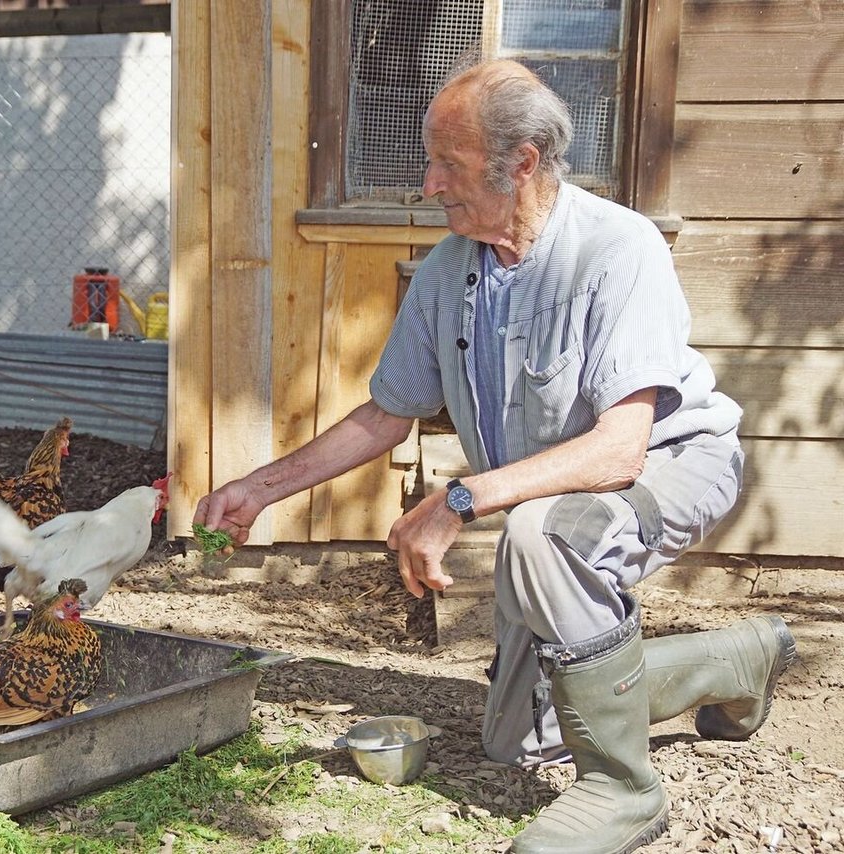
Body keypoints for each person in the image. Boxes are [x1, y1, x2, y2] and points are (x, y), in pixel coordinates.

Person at [194, 59, 796, 854]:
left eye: (450, 163)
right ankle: (733, 659)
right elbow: (386, 413)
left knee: (541, 533)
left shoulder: (619, 248)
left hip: (671, 464)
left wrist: (459, 499)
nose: (428, 182)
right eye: (429, 159)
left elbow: (619, 451)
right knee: (517, 740)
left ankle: (624, 791)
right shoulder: (450, 268)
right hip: (551, 501)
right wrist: (259, 488)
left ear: (523, 162)